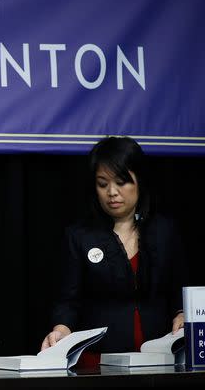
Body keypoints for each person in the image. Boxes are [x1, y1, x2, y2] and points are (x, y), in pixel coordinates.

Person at [41, 136, 186, 363]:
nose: (112, 192)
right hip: (98, 362)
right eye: (102, 184)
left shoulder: (164, 231)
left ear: (140, 181)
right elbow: (68, 301)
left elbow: (179, 289)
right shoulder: (79, 236)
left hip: (161, 359)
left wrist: (181, 315)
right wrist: (60, 330)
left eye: (121, 182)